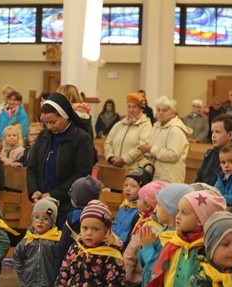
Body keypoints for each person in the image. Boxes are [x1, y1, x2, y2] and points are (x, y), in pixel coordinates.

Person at [26, 92, 95, 229]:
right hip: (42, 206)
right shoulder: (43, 136)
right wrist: (34, 191)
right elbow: (32, 168)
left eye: (53, 122)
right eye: (46, 122)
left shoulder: (81, 138)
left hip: (67, 206)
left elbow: (81, 174)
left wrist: (53, 195)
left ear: (65, 115)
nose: (49, 127)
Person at [143, 189, 226, 287]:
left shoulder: (208, 250)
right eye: (178, 211)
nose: (177, 216)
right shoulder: (174, 243)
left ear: (200, 220)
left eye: (184, 213)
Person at [51, 200, 126, 287]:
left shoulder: (111, 255)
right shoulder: (75, 248)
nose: (89, 233)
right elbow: (64, 272)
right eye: (85, 228)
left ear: (106, 231)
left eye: (95, 229)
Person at [137, 183, 194, 287]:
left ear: (170, 209)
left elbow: (159, 270)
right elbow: (143, 264)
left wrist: (147, 247)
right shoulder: (163, 232)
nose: (156, 208)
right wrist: (144, 245)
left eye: (159, 204)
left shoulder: (176, 240)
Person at [123, 180, 168, 287]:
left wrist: (124, 278)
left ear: (148, 206)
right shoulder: (164, 228)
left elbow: (131, 252)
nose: (137, 202)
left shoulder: (147, 227)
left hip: (137, 281)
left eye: (139, 199)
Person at [53, 175, 103, 276]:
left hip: (65, 267)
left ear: (75, 199)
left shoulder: (71, 219)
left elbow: (62, 247)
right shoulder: (98, 219)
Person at [13, 197, 61, 287]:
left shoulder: (56, 241)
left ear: (53, 222)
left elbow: (60, 263)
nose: (40, 221)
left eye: (46, 218)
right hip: (29, 286)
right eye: (37, 217)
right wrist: (23, 275)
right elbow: (17, 256)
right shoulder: (28, 239)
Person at [138, 95, 192, 183]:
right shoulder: (156, 126)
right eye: (158, 110)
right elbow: (153, 150)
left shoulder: (175, 130)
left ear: (173, 113)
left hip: (169, 177)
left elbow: (173, 155)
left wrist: (151, 149)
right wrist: (145, 151)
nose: (161, 113)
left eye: (165, 110)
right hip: (155, 174)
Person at [104, 92, 152, 170]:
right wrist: (111, 157)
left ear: (140, 109)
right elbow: (108, 142)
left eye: (134, 107)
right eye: (129, 106)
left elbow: (142, 147)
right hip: (114, 167)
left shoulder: (145, 125)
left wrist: (124, 159)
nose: (131, 110)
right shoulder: (119, 124)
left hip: (133, 170)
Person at [112, 164, 154, 244]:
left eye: (133, 186)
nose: (128, 189)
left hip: (123, 245)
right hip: (114, 242)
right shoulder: (124, 205)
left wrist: (119, 242)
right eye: (126, 185)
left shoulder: (140, 211)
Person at [195, 114, 232, 186]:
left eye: (217, 132)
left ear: (230, 135)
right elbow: (200, 177)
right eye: (212, 132)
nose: (213, 135)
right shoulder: (209, 154)